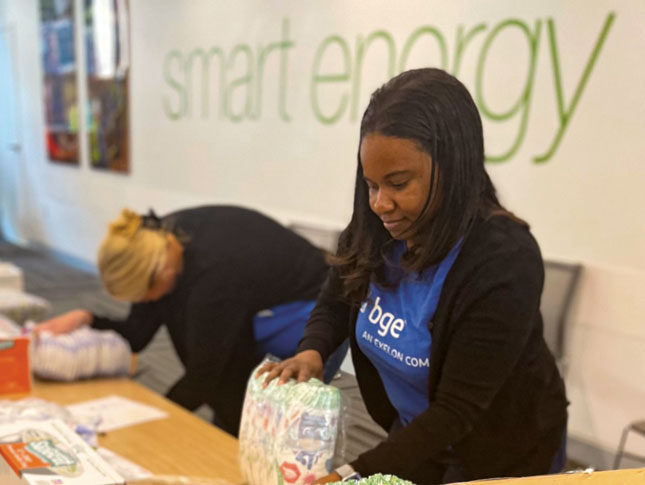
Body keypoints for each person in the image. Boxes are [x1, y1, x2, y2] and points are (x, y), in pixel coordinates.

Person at [259, 68, 568, 484]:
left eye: (398, 184)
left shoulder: (504, 259)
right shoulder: (378, 227)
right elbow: (337, 298)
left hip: (502, 450)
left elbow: (455, 411)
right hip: (416, 438)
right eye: (370, 185)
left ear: (453, 167)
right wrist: (312, 351)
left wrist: (350, 474)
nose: (380, 203)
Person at [36, 205, 347, 436]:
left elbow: (203, 375)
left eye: (144, 297)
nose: (144, 305)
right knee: (231, 409)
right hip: (252, 300)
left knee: (277, 423)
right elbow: (137, 334)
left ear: (162, 275)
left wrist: (148, 420)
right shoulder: (155, 244)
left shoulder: (212, 281)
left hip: (312, 306)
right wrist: (86, 318)